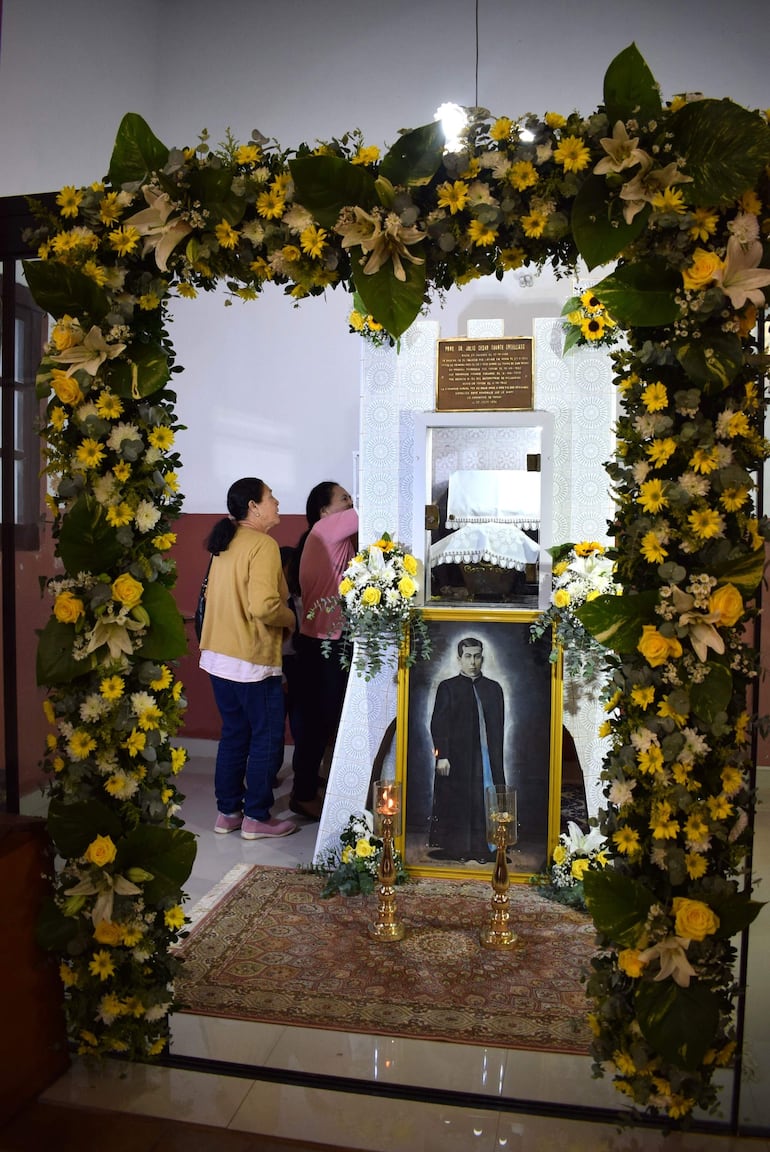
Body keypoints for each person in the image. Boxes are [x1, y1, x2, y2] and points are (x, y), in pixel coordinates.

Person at [199, 477, 298, 840]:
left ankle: (228, 812)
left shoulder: (224, 544)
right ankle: (257, 816)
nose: (276, 502)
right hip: (251, 659)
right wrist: (291, 619)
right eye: (271, 497)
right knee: (266, 738)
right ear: (253, 506)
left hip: (217, 655)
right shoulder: (263, 545)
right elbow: (264, 606)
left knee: (234, 735)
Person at [290, 481, 358, 821]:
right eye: (344, 498)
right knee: (320, 721)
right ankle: (303, 794)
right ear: (325, 510)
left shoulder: (319, 536)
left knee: (317, 720)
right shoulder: (328, 527)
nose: (351, 502)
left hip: (318, 640)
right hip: (327, 643)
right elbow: (378, 511)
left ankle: (310, 785)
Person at [428, 637, 506, 862]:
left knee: (485, 797)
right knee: (460, 799)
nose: (473, 662)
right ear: (459, 659)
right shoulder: (448, 687)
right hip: (458, 758)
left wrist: (493, 758)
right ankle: (458, 848)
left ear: (482, 657)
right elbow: (438, 723)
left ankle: (486, 849)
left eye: (477, 656)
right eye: (468, 656)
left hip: (487, 758)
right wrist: (442, 755)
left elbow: (498, 727)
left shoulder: (493, 689)